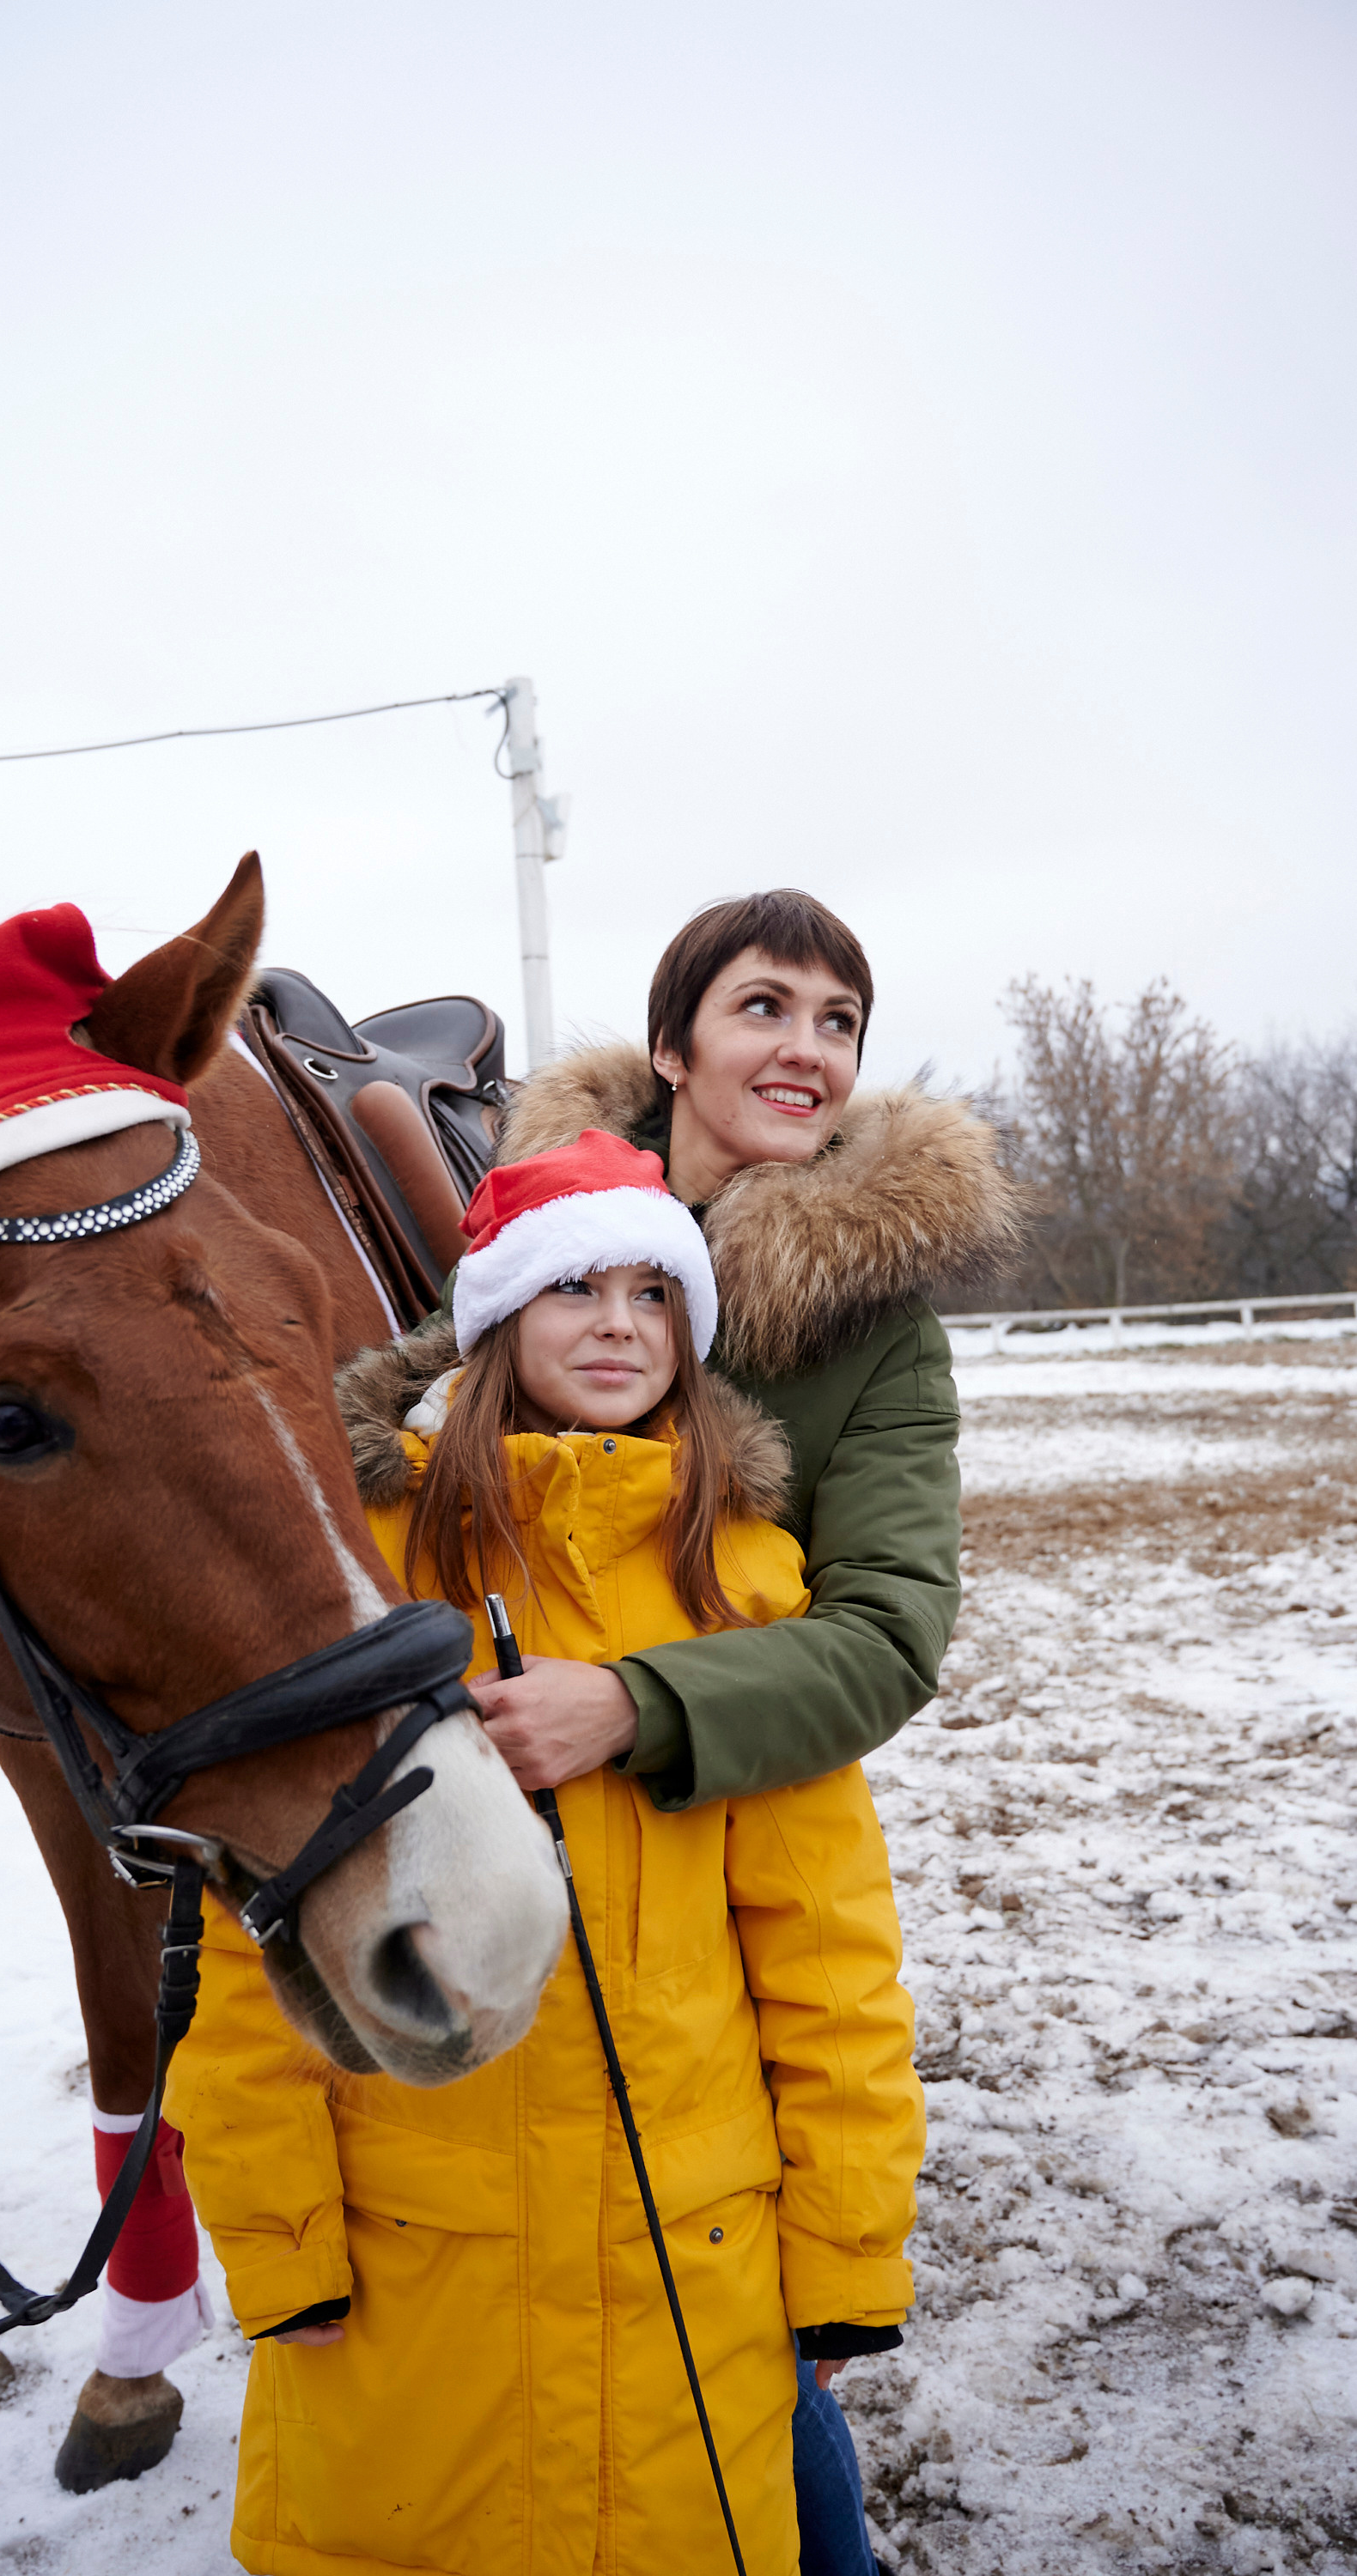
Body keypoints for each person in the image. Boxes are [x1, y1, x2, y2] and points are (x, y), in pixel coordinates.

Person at [166, 1132, 924, 2576]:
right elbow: (247, 1942)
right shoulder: (360, 1572)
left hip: (687, 2270)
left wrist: (842, 2255)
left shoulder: (745, 1585)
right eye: (577, 1286)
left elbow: (826, 1953)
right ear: (498, 1315)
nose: (621, 1324)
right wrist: (280, 2241)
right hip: (410, 2267)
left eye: (656, 1293)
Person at [396, 890, 1015, 2572]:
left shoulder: (874, 1323)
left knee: (715, 2296)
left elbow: (887, 1631)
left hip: (721, 1836)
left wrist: (638, 1704)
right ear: (674, 1045)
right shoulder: (517, 1228)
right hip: (491, 1831)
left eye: (839, 1021)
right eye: (766, 1007)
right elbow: (396, 1432)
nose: (805, 1049)